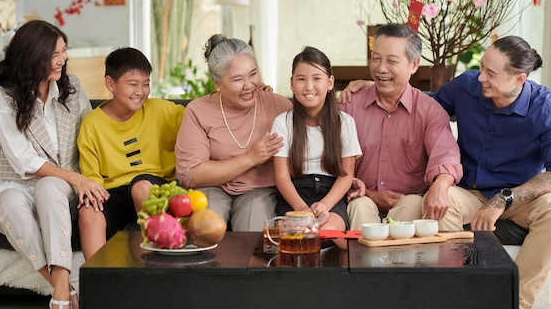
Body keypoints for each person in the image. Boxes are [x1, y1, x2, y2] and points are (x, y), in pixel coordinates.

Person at [430, 36, 551, 309]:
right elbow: (426, 108)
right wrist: (375, 89)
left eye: (491, 74)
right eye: (483, 67)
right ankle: (460, 298)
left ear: (519, 79)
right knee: (441, 201)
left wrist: (503, 199)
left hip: (520, 198)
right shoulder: (466, 86)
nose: (481, 77)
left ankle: (514, 302)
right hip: (470, 192)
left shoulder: (548, 108)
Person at [0, 20, 108, 309]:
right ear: (31, 56)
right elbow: (22, 158)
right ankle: (63, 289)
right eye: (53, 54)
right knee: (10, 203)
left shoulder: (70, 87)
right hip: (15, 183)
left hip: (62, 187)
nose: (62, 60)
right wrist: (76, 179)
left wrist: (82, 178)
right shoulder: (4, 96)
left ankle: (61, 294)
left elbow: (90, 131)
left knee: (50, 185)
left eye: (64, 51)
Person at [338, 23, 463, 229]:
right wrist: (369, 194)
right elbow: (329, 162)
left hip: (408, 203)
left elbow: (446, 157)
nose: (380, 68)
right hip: (360, 197)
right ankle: (366, 260)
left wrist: (441, 184)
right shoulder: (349, 105)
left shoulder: (429, 111)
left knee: (414, 203)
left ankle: (395, 260)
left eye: (391, 61)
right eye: (376, 58)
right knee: (360, 205)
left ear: (414, 64)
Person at [175, 35, 293, 231]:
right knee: (205, 228)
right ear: (217, 83)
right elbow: (191, 174)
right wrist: (250, 158)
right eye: (238, 79)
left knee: (252, 230)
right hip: (212, 188)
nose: (249, 85)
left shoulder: (278, 105)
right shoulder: (198, 111)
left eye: (253, 74)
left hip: (259, 189)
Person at [77, 47, 185, 260]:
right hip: (113, 191)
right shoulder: (92, 123)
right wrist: (93, 198)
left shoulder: (162, 110)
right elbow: (92, 177)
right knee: (88, 212)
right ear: (110, 84)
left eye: (146, 84)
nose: (141, 91)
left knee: (140, 186)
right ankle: (99, 284)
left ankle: (155, 268)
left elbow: (201, 115)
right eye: (133, 84)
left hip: (153, 186)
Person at [271, 47, 362, 248]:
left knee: (326, 232)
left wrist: (325, 205)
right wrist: (302, 209)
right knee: (300, 235)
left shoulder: (344, 122)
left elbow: (346, 175)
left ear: (330, 83)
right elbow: (282, 177)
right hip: (295, 195)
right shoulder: (282, 122)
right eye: (301, 79)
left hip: (330, 195)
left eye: (317, 79)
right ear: (292, 84)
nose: (308, 86)